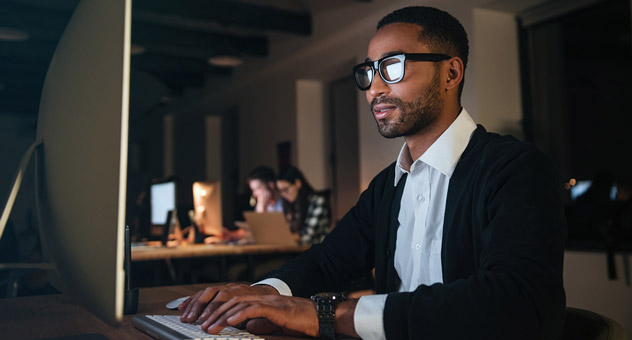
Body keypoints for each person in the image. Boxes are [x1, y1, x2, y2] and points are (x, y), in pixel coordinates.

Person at [179, 6, 567, 340]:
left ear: (451, 73)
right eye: (369, 71)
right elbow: (328, 262)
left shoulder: (516, 169)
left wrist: (326, 316)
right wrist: (262, 293)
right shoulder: (386, 186)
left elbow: (516, 302)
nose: (373, 88)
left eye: (393, 67)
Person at [276, 166, 331, 245]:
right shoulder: (292, 205)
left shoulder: (318, 201)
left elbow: (308, 236)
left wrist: (286, 237)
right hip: (297, 251)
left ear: (297, 183)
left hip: (317, 252)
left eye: (285, 189)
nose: (283, 194)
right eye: (280, 191)